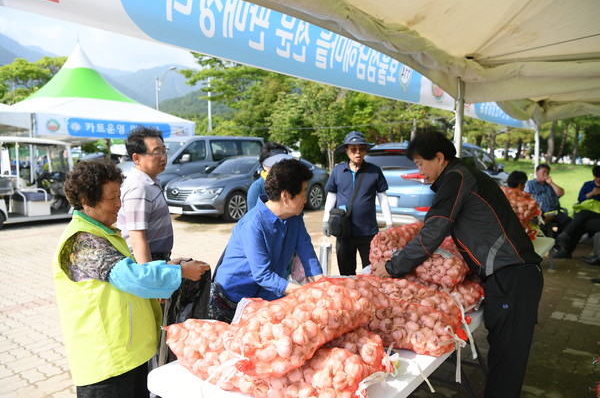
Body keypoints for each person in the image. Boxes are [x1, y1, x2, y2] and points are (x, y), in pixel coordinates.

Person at [373, 131, 543, 398]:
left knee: (507, 363)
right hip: (511, 275)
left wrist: (394, 266)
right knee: (505, 357)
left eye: (420, 164)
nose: (419, 172)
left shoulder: (456, 177)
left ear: (439, 158)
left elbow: (433, 232)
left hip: (512, 276)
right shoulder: (461, 175)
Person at [52, 159, 210, 398]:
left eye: (119, 196)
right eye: (111, 198)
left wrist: (168, 265)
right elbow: (131, 277)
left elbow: (125, 270)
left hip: (128, 355)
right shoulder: (82, 241)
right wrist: (181, 272)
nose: (118, 205)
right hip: (107, 363)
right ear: (86, 202)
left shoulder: (102, 232)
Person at [209, 159, 324, 322]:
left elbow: (306, 251)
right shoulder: (253, 224)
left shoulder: (295, 217)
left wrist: (323, 284)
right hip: (232, 300)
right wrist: (301, 291)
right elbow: (262, 275)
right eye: (303, 192)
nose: (306, 199)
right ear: (285, 196)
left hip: (265, 298)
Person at [322, 131, 393, 276]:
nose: (357, 153)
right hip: (344, 232)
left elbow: (383, 197)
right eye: (353, 149)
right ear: (346, 151)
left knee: (371, 272)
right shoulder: (338, 171)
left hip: (368, 232)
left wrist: (389, 223)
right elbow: (331, 196)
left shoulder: (374, 171)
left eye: (361, 149)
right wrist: (325, 221)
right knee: (346, 274)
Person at [117, 127, 173, 263]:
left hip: (157, 257)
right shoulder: (138, 187)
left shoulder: (149, 181)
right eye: (156, 152)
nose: (163, 157)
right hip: (146, 260)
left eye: (164, 150)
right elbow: (137, 237)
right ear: (136, 158)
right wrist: (149, 275)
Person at [555, 165, 600, 260]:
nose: (599, 179)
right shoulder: (588, 185)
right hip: (589, 215)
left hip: (597, 213)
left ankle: (564, 236)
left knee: (583, 214)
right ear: (594, 176)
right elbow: (580, 199)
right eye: (597, 177)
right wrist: (592, 194)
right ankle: (566, 252)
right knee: (581, 222)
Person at [524, 163, 572, 237]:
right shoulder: (530, 184)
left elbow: (561, 193)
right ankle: (551, 240)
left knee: (568, 221)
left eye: (547, 172)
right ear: (536, 173)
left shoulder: (549, 185)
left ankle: (559, 239)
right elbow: (526, 199)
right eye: (544, 172)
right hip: (541, 213)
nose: (546, 174)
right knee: (542, 225)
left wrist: (551, 183)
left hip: (555, 212)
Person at [247, 142, 293, 211]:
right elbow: (253, 218)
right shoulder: (257, 188)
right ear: (264, 165)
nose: (280, 166)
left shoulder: (291, 184)